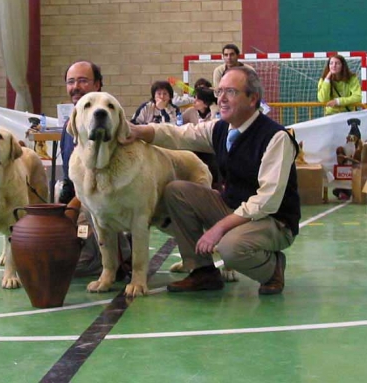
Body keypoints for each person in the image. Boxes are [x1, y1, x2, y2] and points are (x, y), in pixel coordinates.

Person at [125, 66, 300, 295]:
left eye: (231, 92)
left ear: (252, 98)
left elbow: (267, 201)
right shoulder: (221, 129)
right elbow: (178, 135)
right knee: (176, 191)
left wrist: (219, 228)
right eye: (220, 92)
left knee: (230, 248)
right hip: (235, 209)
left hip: (273, 220)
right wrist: (138, 131)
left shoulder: (276, 138)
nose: (222, 99)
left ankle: (273, 268)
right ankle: (202, 272)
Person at [59, 60, 131, 278]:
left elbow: (102, 184)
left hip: (101, 201)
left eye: (83, 81)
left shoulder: (111, 123)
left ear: (98, 84)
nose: (76, 87)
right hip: (79, 200)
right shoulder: (70, 126)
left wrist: (73, 208)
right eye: (71, 82)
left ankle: (121, 255)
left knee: (78, 265)